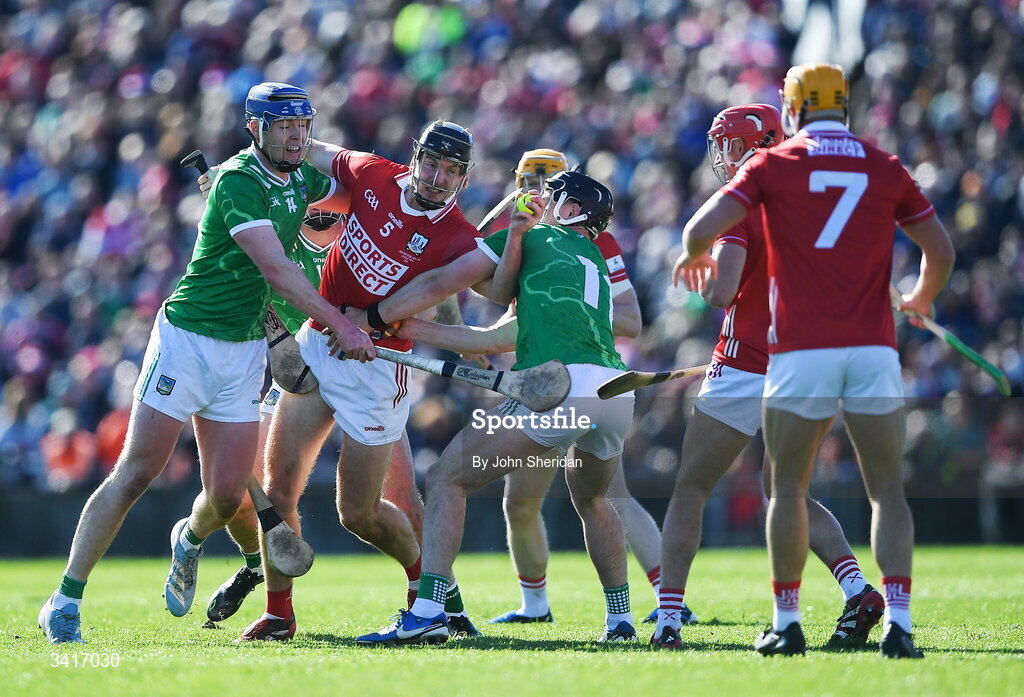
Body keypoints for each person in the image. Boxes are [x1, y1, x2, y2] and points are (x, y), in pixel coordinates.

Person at [37, 82, 373, 644]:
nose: (295, 137)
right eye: (282, 126)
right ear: (255, 128)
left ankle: (188, 542)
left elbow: (352, 200)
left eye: (302, 126)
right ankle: (65, 599)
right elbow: (277, 272)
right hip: (188, 339)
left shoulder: (302, 180)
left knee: (226, 496)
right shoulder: (239, 181)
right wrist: (340, 323)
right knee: (138, 471)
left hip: (245, 348)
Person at [673, 64, 954, 658]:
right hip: (869, 347)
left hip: (784, 353)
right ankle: (891, 619)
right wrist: (921, 298)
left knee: (756, 490)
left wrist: (694, 255)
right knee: (885, 493)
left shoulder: (770, 170)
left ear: (792, 109)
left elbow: (710, 248)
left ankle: (766, 619)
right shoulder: (882, 163)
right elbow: (940, 250)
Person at [352, 171, 639, 644]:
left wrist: (373, 318)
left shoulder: (538, 236)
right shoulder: (592, 260)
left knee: (448, 477)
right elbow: (490, 338)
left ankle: (427, 613)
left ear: (572, 212)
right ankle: (621, 620)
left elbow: (463, 271)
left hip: (561, 388)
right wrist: (404, 333)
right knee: (592, 498)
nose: (542, 203)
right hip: (613, 390)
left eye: (554, 198)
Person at [237, 120, 487, 641]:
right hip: (317, 344)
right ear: (415, 157)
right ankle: (280, 612)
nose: (438, 177)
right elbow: (309, 150)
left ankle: (427, 594)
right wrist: (236, 177)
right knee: (278, 490)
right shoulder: (373, 173)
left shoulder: (459, 234)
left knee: (359, 513)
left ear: (463, 178)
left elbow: (450, 291)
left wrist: (472, 343)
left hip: (377, 368)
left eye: (452, 170)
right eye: (432, 163)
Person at [652, 104, 880, 650]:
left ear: (762, 143)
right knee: (788, 492)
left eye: (731, 146)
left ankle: (667, 620)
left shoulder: (744, 200)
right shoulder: (815, 201)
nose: (723, 158)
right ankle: (857, 588)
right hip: (808, 366)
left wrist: (704, 280)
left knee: (690, 489)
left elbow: (723, 290)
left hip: (744, 366)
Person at [190, 208, 423, 624]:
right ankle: (276, 612)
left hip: (372, 370)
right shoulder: (276, 220)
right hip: (302, 363)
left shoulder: (369, 209)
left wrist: (386, 320)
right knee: (269, 495)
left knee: (370, 510)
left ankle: (435, 600)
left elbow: (435, 303)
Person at [482, 149, 664, 625]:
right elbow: (467, 258)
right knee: (521, 502)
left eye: (546, 184)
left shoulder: (594, 242)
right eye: (527, 183)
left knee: (607, 495)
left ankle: (669, 598)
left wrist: (562, 312)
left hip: (578, 374)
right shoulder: (520, 231)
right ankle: (536, 604)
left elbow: (631, 320)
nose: (536, 193)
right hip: (542, 376)